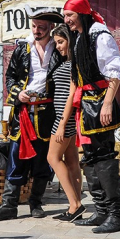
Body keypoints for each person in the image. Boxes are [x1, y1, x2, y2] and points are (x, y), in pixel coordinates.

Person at [0, 6, 62, 222]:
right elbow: (10, 77)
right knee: (16, 158)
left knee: (42, 160)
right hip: (23, 113)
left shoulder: (59, 48)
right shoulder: (22, 49)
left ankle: (36, 203)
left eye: (41, 27)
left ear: (50, 27)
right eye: (34, 26)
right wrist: (19, 94)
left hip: (48, 114)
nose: (37, 30)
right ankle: (8, 205)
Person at [63, 0, 120, 233]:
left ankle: (116, 216)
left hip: (99, 102)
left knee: (104, 156)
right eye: (65, 16)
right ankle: (101, 211)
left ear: (82, 14)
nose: (66, 20)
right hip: (86, 104)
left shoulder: (99, 35)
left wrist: (108, 103)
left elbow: (115, 71)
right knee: (90, 157)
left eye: (70, 15)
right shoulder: (80, 36)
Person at [47, 24, 85, 222]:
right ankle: (76, 205)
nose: (58, 47)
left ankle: (75, 204)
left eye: (61, 42)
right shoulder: (70, 61)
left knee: (52, 158)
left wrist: (62, 123)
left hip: (64, 117)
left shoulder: (74, 63)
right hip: (67, 116)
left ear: (70, 40)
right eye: (56, 43)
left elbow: (72, 94)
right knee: (71, 161)